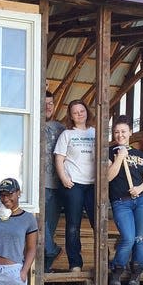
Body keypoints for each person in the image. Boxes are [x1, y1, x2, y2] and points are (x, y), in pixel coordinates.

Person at [107, 116, 143, 285]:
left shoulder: (139, 154)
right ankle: (117, 273)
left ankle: (136, 276)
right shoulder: (110, 152)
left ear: (130, 133)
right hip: (121, 202)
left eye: (123, 132)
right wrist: (120, 157)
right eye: (117, 132)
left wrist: (140, 188)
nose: (120, 135)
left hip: (142, 200)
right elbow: (108, 177)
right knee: (127, 238)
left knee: (140, 239)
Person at [54, 100, 96, 272]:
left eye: (82, 110)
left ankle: (104, 262)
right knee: (73, 225)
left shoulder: (95, 132)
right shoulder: (67, 135)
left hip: (93, 184)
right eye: (75, 112)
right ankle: (75, 264)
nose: (79, 114)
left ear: (87, 112)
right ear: (71, 116)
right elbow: (59, 158)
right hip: (74, 184)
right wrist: (63, 178)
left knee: (98, 223)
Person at [43, 91, 66, 272]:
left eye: (51, 103)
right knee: (38, 224)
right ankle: (51, 250)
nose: (48, 106)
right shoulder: (30, 124)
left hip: (58, 186)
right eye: (44, 103)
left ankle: (44, 269)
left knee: (49, 227)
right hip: (38, 185)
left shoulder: (61, 129)